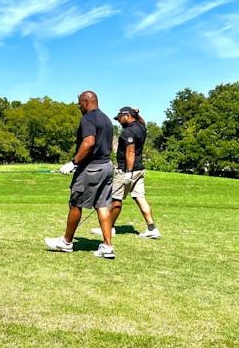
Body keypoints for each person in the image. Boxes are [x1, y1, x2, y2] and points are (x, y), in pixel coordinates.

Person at [44, 90, 115, 258]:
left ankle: (66, 243)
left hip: (91, 168)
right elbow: (108, 145)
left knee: (75, 203)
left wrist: (73, 163)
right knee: (102, 206)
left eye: (79, 104)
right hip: (106, 166)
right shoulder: (107, 119)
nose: (79, 107)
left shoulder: (88, 118)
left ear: (86, 101)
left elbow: (89, 142)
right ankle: (107, 246)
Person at [91, 106, 161, 239]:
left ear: (127, 116)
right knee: (139, 197)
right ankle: (152, 228)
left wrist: (128, 172)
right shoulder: (141, 127)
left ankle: (109, 227)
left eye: (120, 118)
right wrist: (138, 114)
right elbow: (142, 122)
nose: (119, 121)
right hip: (139, 169)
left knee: (115, 199)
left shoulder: (128, 132)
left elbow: (130, 152)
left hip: (127, 170)